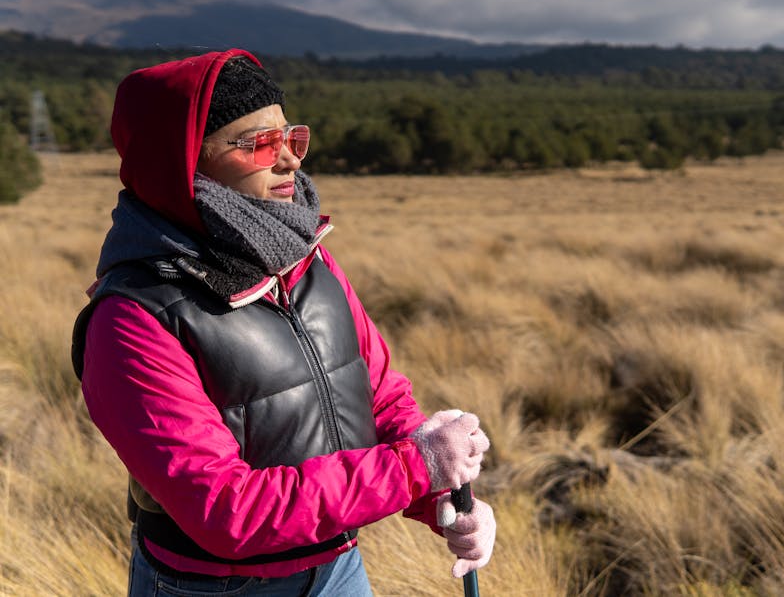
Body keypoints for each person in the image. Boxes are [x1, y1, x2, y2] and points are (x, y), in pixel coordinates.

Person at [71, 48, 496, 596]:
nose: (292, 162)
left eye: (292, 139)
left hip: (340, 570)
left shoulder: (305, 260)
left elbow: (381, 401)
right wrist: (416, 468)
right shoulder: (133, 317)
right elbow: (227, 512)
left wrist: (440, 497)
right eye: (260, 145)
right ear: (182, 162)